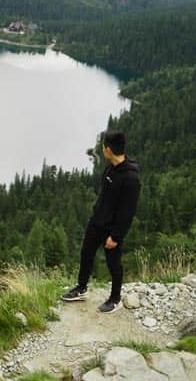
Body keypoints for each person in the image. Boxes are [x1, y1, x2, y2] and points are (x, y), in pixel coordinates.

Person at [61, 131, 140, 313]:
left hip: (112, 229)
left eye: (104, 147)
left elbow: (128, 211)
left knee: (114, 264)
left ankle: (115, 299)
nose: (103, 150)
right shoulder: (110, 167)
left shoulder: (131, 178)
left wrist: (116, 236)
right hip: (97, 221)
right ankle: (81, 288)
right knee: (86, 253)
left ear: (108, 149)